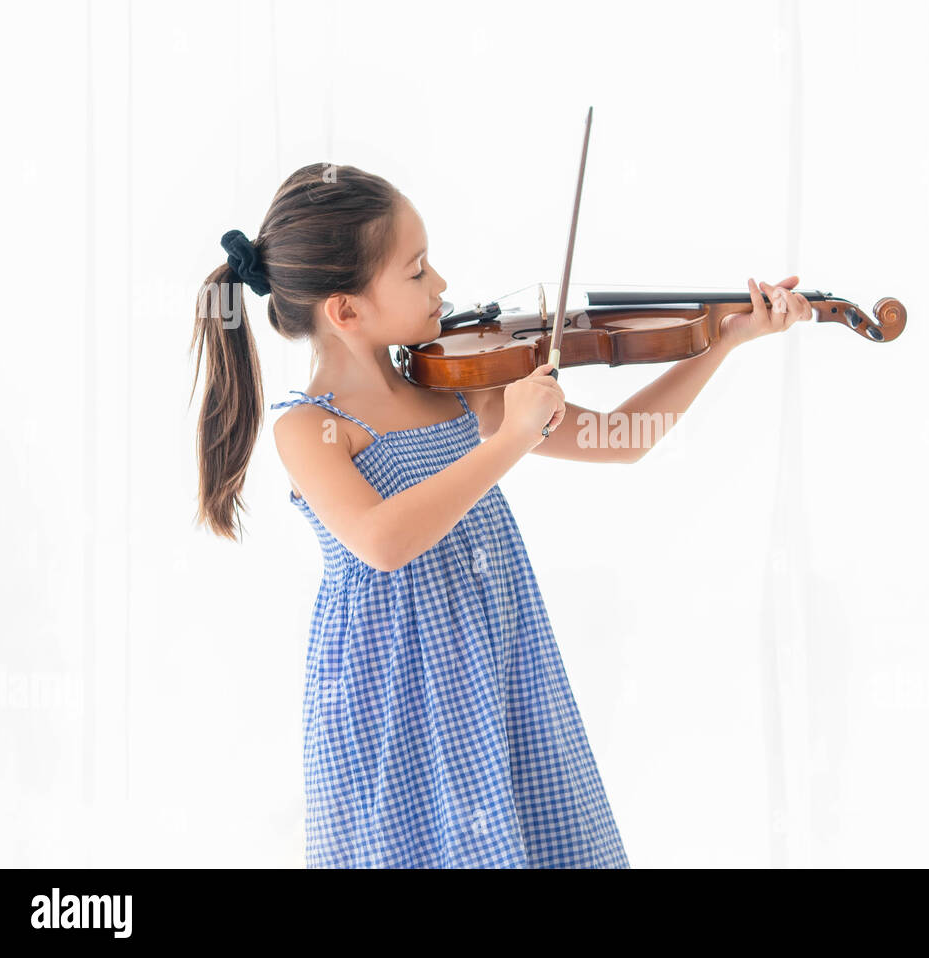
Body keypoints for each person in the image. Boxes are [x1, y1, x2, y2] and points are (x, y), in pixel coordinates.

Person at [188, 161, 812, 868]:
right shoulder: (310, 429)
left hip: (498, 671)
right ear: (346, 310)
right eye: (417, 270)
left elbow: (622, 441)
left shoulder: (459, 386)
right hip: (392, 699)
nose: (443, 286)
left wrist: (721, 341)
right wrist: (513, 437)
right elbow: (383, 542)